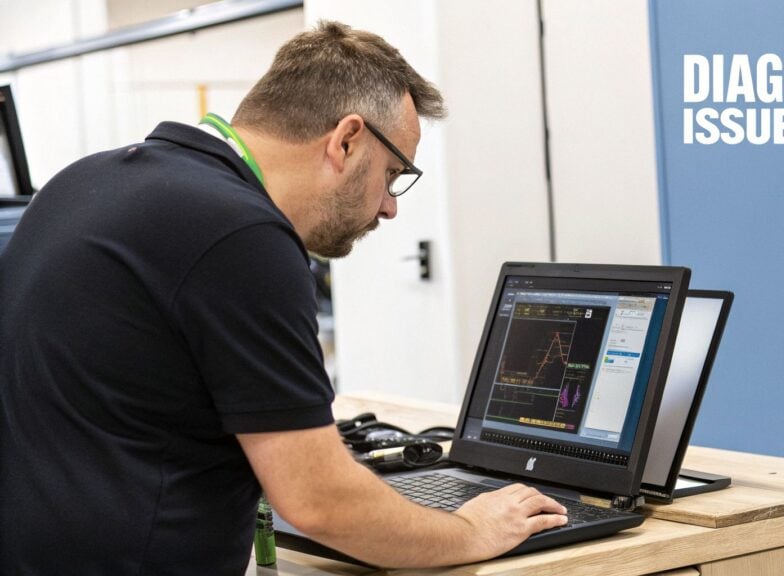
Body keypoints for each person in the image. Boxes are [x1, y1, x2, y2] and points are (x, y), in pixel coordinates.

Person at [0, 20, 567, 574]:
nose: (391, 206)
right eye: (393, 174)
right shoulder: (238, 234)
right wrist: (471, 530)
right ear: (347, 140)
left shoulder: (84, 181)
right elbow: (321, 504)